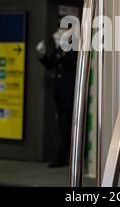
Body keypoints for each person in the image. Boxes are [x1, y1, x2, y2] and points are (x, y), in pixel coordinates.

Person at [37, 23, 78, 168]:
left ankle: (61, 157)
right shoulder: (60, 46)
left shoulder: (74, 45)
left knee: (66, 124)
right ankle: (64, 155)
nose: (60, 32)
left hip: (69, 91)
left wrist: (60, 47)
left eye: (63, 29)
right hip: (59, 90)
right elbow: (51, 64)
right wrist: (42, 55)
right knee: (61, 124)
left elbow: (70, 62)